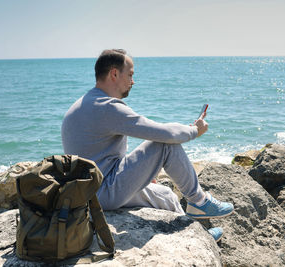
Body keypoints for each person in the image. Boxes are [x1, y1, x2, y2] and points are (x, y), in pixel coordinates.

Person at [61, 49, 233, 241]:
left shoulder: (82, 103)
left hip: (89, 193)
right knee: (165, 145)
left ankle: (197, 238)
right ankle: (199, 201)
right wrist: (195, 131)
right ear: (114, 74)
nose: (133, 81)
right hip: (104, 191)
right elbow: (163, 133)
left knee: (167, 196)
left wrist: (143, 172)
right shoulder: (106, 107)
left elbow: (99, 156)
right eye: (131, 74)